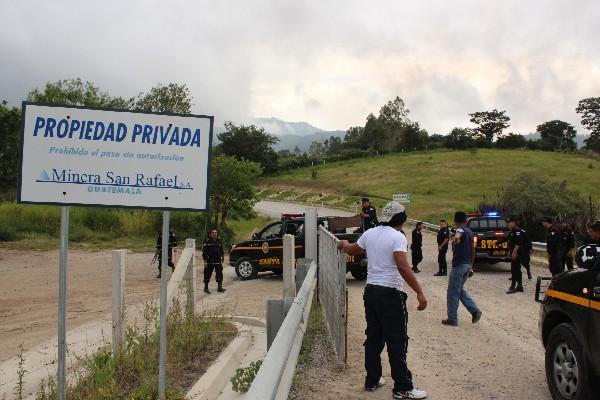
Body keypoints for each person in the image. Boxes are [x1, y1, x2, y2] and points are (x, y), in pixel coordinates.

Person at [337, 201, 428, 400]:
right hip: (390, 294)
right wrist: (419, 292)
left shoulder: (371, 233)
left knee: (374, 338)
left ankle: (372, 380)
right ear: (401, 219)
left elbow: (353, 250)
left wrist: (342, 244)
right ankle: (403, 387)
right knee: (397, 340)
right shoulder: (398, 237)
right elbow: (403, 267)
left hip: (371, 292)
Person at [443, 211, 482, 326]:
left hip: (459, 266)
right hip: (467, 265)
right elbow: (473, 250)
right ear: (466, 220)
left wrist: (456, 238)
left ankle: (452, 319)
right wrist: (471, 266)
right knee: (459, 289)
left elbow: (458, 233)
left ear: (455, 221)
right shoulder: (470, 232)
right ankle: (474, 311)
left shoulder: (460, 230)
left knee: (452, 292)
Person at [504, 217, 525, 294]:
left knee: (514, 269)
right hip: (514, 252)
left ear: (513, 223)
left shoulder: (517, 231)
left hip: (517, 253)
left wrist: (514, 252)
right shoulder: (513, 231)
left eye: (509, 223)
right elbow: (510, 242)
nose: (508, 225)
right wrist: (510, 251)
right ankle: (520, 286)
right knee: (517, 269)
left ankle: (513, 287)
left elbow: (518, 243)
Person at [202, 228, 225, 294]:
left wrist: (222, 257)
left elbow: (221, 250)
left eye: (216, 232)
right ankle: (206, 288)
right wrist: (205, 261)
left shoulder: (219, 241)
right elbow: (204, 253)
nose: (215, 234)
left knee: (219, 273)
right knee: (207, 274)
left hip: (218, 260)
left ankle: (219, 287)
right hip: (210, 260)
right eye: (213, 232)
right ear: (210, 234)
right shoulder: (207, 242)